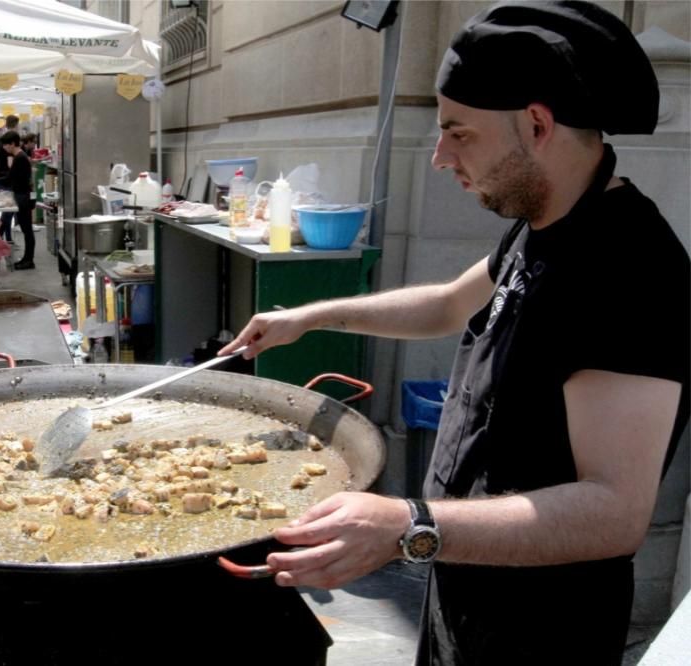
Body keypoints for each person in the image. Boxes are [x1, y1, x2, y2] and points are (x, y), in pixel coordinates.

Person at [219, 3, 690, 664]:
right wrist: (309, 318)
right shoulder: (544, 223)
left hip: (542, 634)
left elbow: (615, 512)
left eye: (458, 133)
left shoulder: (629, 266)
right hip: (463, 593)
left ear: (536, 124)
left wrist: (409, 526)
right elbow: (444, 305)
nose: (439, 157)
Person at [0, 132, 36, 269]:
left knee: (26, 229)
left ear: (12, 144)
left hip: (24, 196)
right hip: (22, 195)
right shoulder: (19, 156)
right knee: (26, 229)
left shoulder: (20, 158)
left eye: (5, 144)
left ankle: (28, 260)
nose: (4, 147)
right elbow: (11, 175)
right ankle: (27, 259)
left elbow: (10, 178)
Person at [0, 115, 21, 244]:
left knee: (6, 211)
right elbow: (11, 165)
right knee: (8, 211)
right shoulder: (10, 140)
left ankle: (7, 238)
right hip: (7, 180)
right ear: (15, 124)